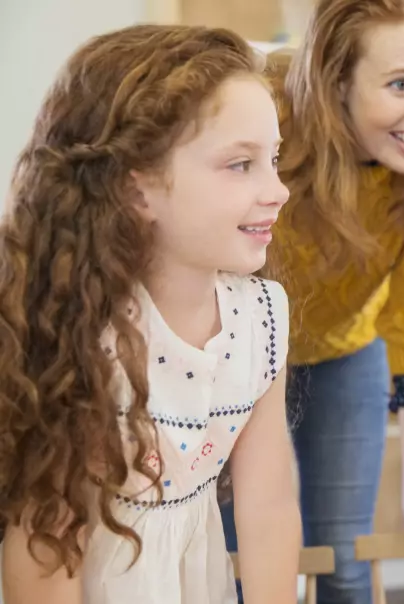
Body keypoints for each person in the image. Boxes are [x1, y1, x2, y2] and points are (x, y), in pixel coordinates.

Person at [0, 24, 300, 604]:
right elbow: (45, 550)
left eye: (275, 159)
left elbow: (268, 506)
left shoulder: (262, 319)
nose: (278, 189)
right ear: (137, 190)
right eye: (241, 165)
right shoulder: (83, 332)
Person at [219, 0, 404, 602]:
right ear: (336, 79)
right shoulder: (268, 114)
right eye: (400, 84)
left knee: (343, 558)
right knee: (238, 551)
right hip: (241, 350)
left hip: (346, 349)